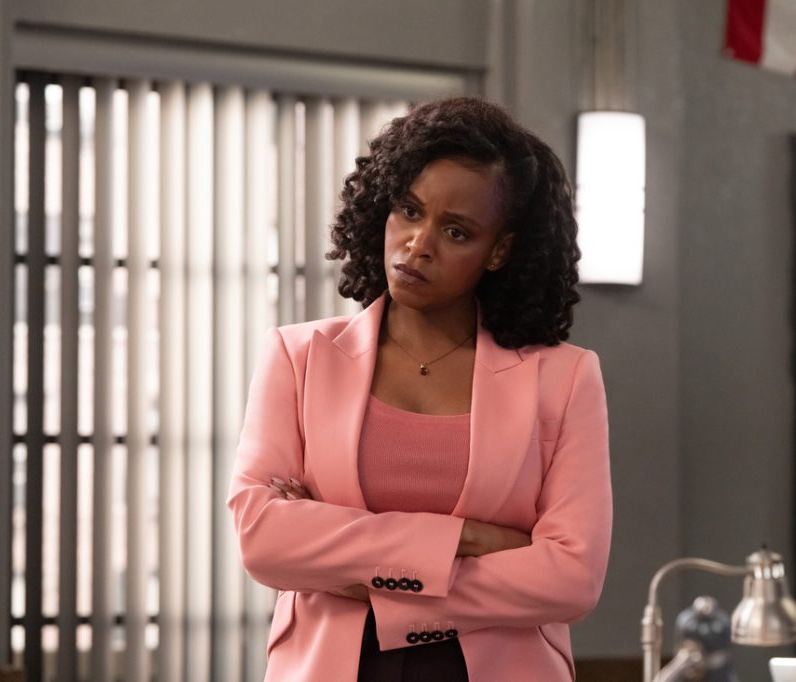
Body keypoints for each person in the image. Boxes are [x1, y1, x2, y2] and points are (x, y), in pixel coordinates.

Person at [228, 96, 612, 681]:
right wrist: (471, 539)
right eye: (409, 210)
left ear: (499, 250)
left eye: (456, 231)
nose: (418, 244)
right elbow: (263, 540)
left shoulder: (565, 377)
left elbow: (571, 579)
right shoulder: (297, 356)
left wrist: (365, 578)